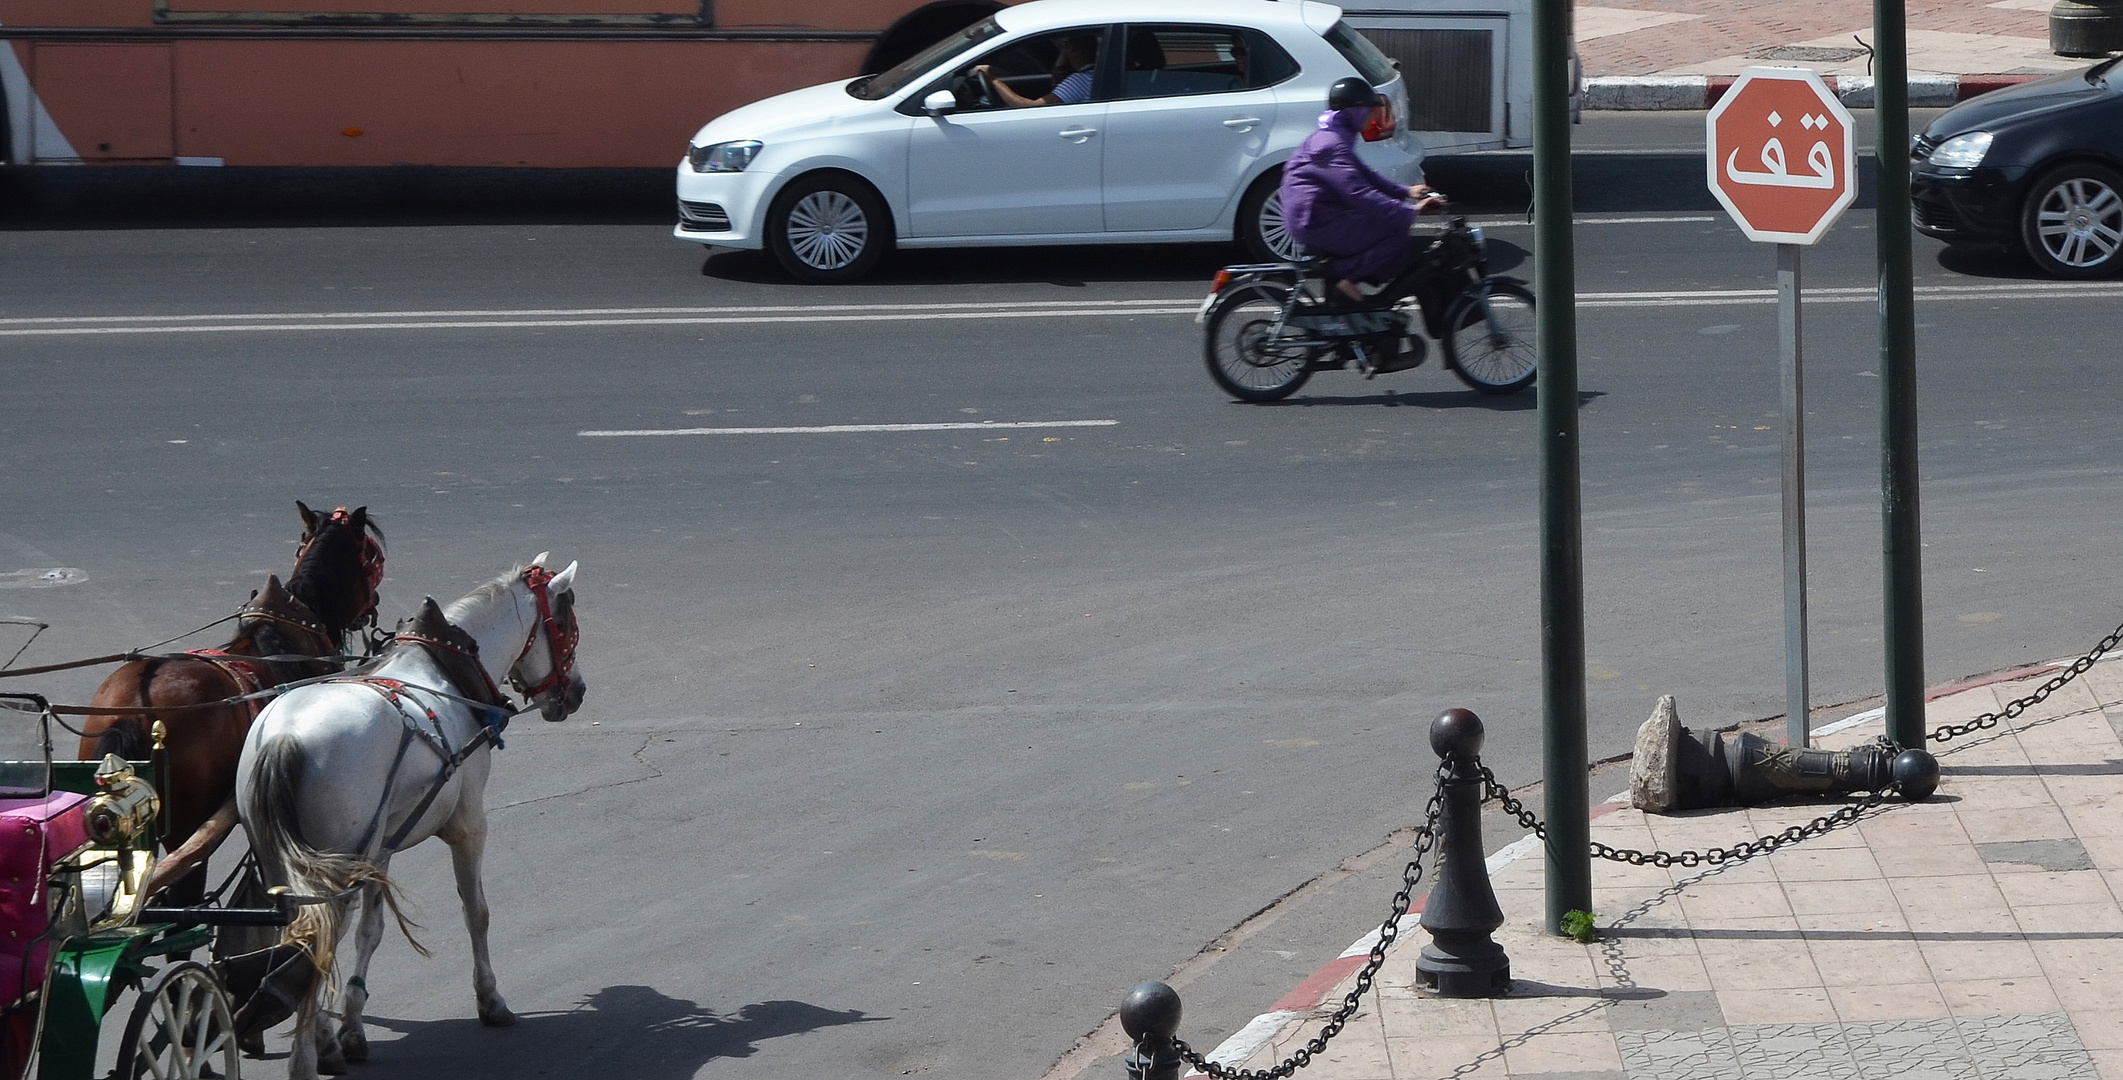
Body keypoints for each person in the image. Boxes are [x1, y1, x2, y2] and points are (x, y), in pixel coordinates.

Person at [1280, 76, 1444, 303]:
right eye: (1369, 111)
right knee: (1393, 229)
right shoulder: (1332, 144)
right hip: (1313, 219)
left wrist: (1406, 192)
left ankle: (1345, 292)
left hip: (1316, 214)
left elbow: (1365, 175)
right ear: (1354, 112)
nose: (1373, 116)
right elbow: (1359, 193)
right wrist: (1411, 211)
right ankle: (1345, 276)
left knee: (1382, 222)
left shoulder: (1335, 137)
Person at [978, 34, 1098, 108]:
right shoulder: (1093, 76)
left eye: (1066, 48)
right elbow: (1058, 76)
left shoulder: (1080, 81)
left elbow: (1030, 108)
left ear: (1073, 50)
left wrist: (993, 80)